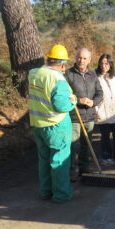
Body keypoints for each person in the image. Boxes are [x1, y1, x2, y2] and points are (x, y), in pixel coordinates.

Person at [28, 44, 77, 202]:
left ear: (48, 59)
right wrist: (74, 101)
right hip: (56, 125)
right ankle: (61, 194)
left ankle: (45, 191)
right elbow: (61, 105)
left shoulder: (33, 73)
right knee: (59, 160)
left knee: (44, 160)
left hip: (38, 125)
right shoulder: (58, 79)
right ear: (62, 64)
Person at [65, 48, 103, 181]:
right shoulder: (68, 74)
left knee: (87, 144)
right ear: (75, 58)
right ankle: (73, 170)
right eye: (79, 57)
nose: (82, 60)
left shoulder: (93, 75)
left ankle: (84, 168)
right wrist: (78, 100)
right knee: (74, 145)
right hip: (74, 117)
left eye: (85, 58)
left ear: (89, 60)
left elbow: (100, 93)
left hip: (89, 116)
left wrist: (93, 102)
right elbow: (64, 95)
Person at [95, 54, 115, 166]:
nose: (104, 66)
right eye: (102, 63)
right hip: (103, 112)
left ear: (111, 65)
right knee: (105, 137)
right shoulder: (95, 77)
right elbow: (93, 95)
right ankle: (106, 157)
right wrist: (96, 110)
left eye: (106, 63)